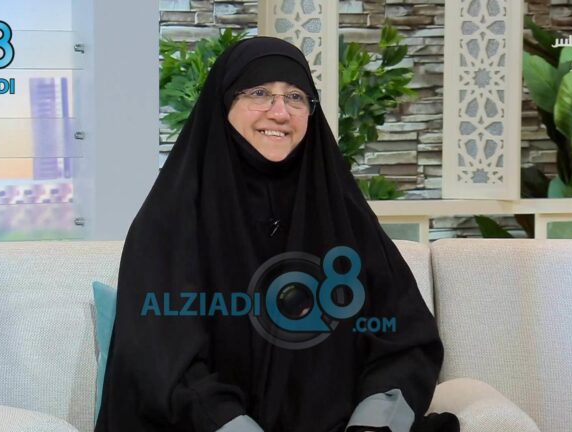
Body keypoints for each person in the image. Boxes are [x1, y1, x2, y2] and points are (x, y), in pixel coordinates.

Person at [95, 36, 458, 432]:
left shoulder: (345, 217)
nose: (280, 112)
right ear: (225, 103)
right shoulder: (172, 220)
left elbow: (405, 340)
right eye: (259, 93)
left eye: (296, 97)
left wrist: (371, 424)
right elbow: (162, 359)